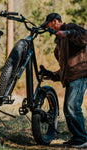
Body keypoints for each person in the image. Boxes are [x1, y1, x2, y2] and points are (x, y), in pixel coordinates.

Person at [41, 13, 87, 148]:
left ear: (55, 21)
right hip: (72, 77)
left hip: (80, 75)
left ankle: (82, 138)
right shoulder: (59, 46)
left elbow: (84, 38)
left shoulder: (71, 28)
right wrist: (50, 74)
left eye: (48, 24)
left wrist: (67, 33)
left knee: (72, 107)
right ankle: (77, 137)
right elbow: (64, 70)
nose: (49, 28)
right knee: (68, 108)